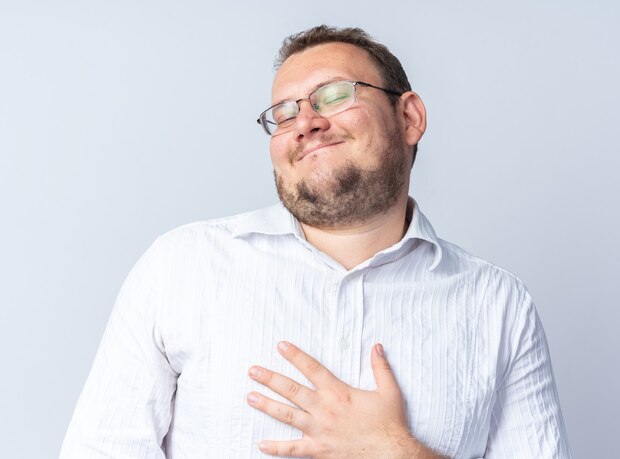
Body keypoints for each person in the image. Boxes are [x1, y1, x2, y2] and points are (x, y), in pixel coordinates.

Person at [60, 25, 571, 458]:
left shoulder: (498, 304)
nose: (305, 121)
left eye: (335, 94)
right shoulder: (180, 267)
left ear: (409, 118)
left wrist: (395, 450)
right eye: (283, 113)